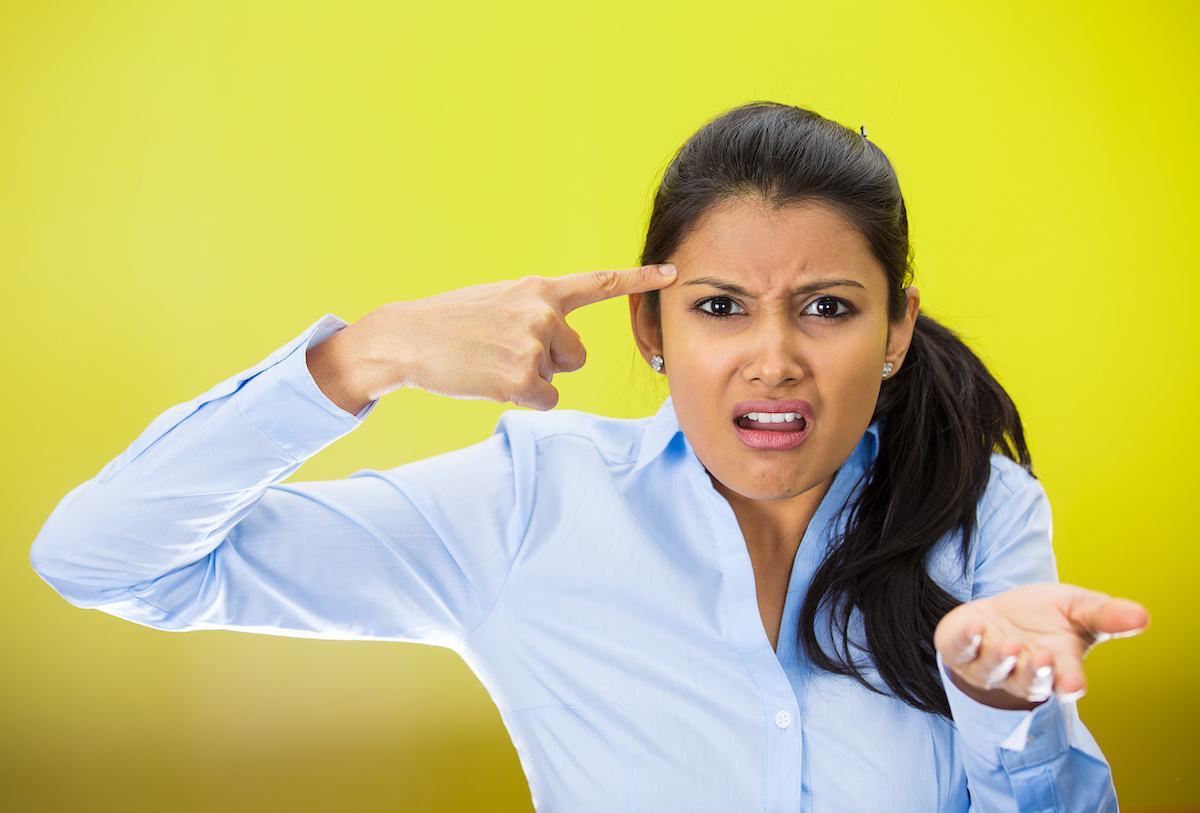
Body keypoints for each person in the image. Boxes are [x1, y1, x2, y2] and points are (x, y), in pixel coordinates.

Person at [31, 102, 1148, 811]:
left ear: (895, 330)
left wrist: (1004, 708)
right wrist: (365, 357)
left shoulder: (982, 509)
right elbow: (106, 559)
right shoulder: (533, 502)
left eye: (825, 308)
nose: (773, 358)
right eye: (719, 306)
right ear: (652, 334)